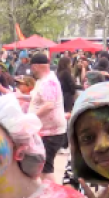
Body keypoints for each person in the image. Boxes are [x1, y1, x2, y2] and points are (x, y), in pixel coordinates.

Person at [28, 53, 66, 181]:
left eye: (32, 67)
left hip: (51, 132)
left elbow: (49, 105)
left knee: (45, 167)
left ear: (37, 66)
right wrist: (20, 96)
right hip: (47, 131)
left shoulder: (48, 82)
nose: (32, 71)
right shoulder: (43, 81)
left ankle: (52, 196)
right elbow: (37, 99)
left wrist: (32, 117)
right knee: (44, 166)